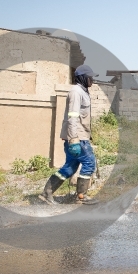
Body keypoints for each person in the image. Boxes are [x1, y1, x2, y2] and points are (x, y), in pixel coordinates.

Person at [39, 64, 99, 205]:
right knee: (89, 163)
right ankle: (81, 197)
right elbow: (72, 116)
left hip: (80, 136)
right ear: (83, 77)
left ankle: (46, 193)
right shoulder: (76, 92)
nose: (92, 80)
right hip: (77, 137)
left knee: (70, 167)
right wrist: (73, 139)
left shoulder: (83, 91)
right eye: (90, 77)